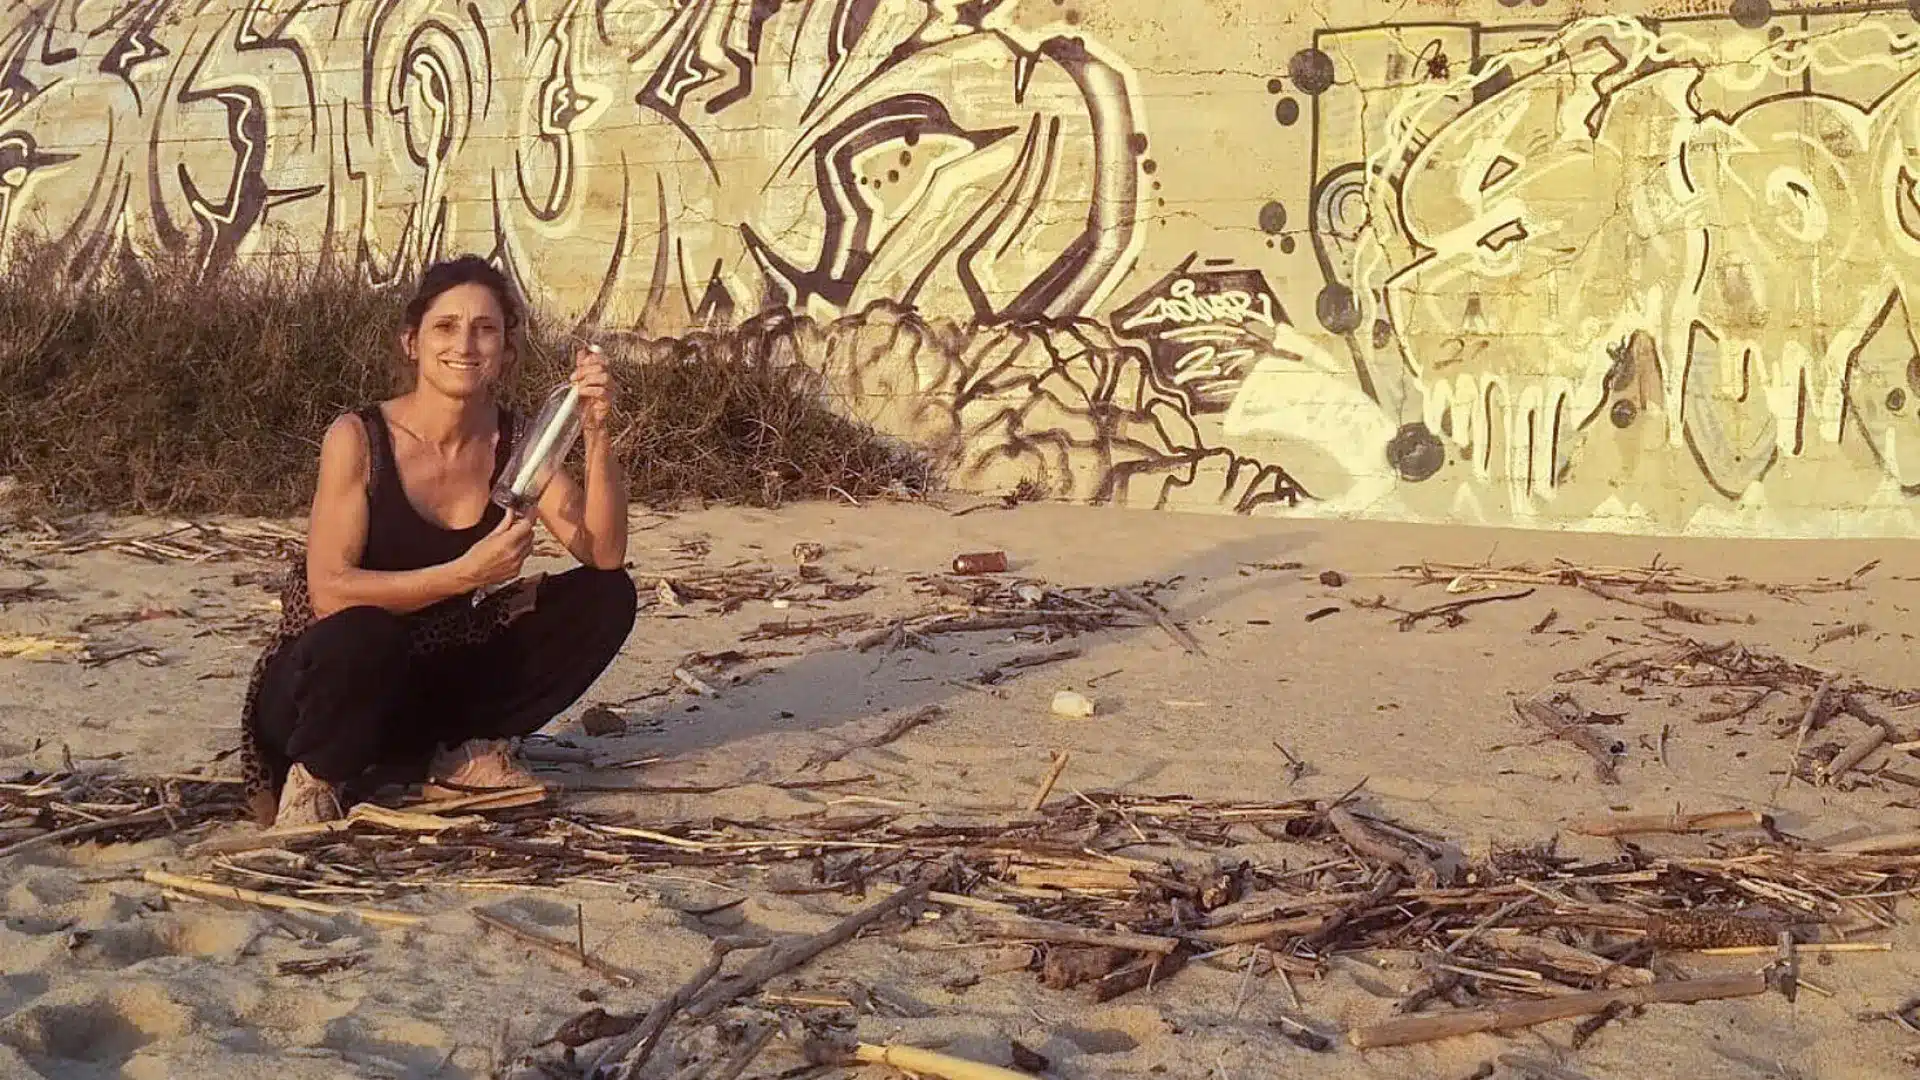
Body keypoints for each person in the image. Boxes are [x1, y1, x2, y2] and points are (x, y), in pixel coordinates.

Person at [235, 255, 638, 828]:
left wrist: (595, 431)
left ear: (506, 349)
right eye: (446, 327)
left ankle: (456, 753)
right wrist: (466, 575)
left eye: (485, 329)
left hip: (428, 681)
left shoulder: (517, 440)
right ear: (412, 342)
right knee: (364, 631)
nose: (465, 345)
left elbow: (603, 551)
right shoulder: (359, 438)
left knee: (606, 595)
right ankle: (317, 777)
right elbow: (329, 593)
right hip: (321, 688)